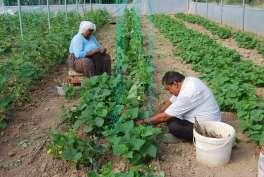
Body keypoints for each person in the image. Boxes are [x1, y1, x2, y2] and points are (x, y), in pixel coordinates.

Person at [138, 71, 221, 141]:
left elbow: (164, 117)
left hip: (206, 128)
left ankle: (183, 137)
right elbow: (170, 102)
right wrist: (155, 115)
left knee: (173, 126)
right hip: (207, 119)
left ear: (175, 84)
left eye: (169, 89)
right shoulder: (189, 81)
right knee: (171, 115)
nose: (169, 92)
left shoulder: (188, 94)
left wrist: (143, 122)